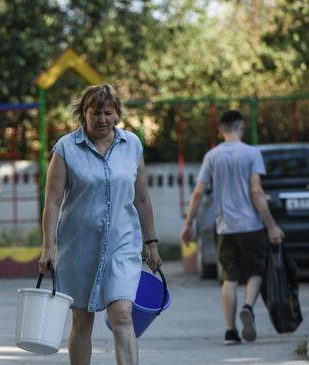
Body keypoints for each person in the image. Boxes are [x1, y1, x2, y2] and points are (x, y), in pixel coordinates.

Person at [39, 84, 162, 365]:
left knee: (123, 316)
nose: (102, 119)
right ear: (83, 114)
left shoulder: (132, 146)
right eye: (95, 112)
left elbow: (142, 199)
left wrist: (151, 243)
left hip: (122, 245)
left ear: (117, 114)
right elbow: (53, 203)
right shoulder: (66, 149)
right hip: (79, 247)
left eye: (108, 112)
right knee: (82, 320)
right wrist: (48, 247)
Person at [181, 109, 284, 345]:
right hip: (251, 225)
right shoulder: (251, 153)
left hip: (225, 226)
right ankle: (248, 306)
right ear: (242, 127)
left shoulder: (212, 156)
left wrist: (188, 225)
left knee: (229, 278)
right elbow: (256, 191)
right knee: (255, 272)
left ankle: (230, 332)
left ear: (221, 130)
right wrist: (271, 226)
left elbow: (198, 192)